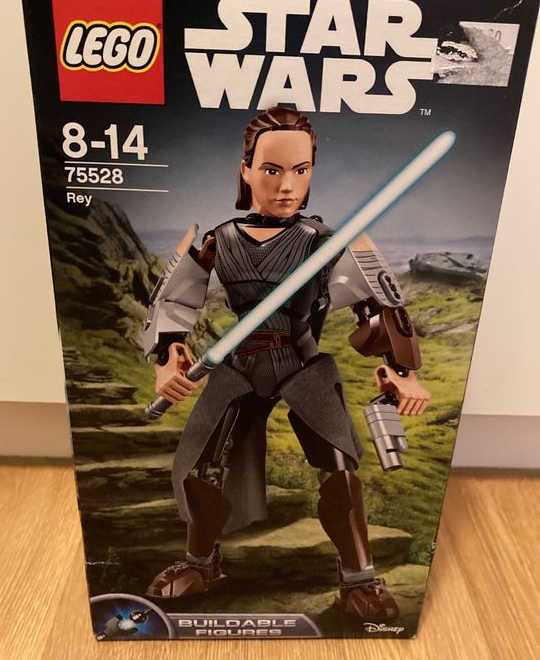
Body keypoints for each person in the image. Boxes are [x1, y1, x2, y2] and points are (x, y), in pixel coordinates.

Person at [142, 106, 429, 618]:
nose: (287, 185)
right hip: (239, 366)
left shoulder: (324, 241)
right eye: (272, 170)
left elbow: (377, 305)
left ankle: (359, 579)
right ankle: (201, 563)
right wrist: (168, 358)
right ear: (247, 170)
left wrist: (400, 371)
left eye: (301, 170)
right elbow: (173, 301)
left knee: (338, 470)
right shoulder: (220, 240)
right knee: (202, 469)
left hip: (302, 364)